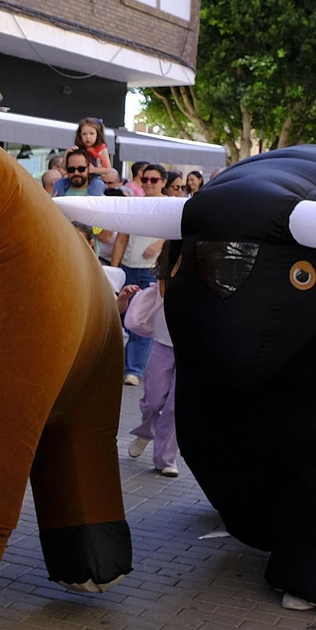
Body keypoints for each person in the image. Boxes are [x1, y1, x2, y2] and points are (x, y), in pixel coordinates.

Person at [125, 243, 181, 477]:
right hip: (163, 344)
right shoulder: (164, 278)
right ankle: (146, 430)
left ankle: (166, 459)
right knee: (153, 400)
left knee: (175, 408)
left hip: (191, 350)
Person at [110, 164, 167, 385]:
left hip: (152, 268)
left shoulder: (169, 205)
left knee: (142, 319)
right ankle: (126, 365)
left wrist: (159, 243)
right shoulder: (134, 204)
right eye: (145, 180)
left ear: (163, 181)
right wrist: (115, 269)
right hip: (129, 266)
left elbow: (175, 233)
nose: (149, 184)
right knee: (123, 317)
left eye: (154, 180)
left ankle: (134, 369)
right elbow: (121, 238)